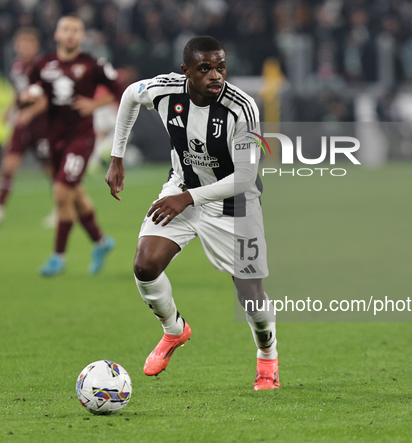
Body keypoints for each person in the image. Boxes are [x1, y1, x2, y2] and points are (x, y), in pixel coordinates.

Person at [105, 36, 279, 390]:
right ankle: (173, 330)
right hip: (181, 187)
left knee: (250, 296)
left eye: (221, 67)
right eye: (205, 69)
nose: (216, 76)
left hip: (235, 203)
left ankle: (267, 356)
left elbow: (245, 176)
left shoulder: (241, 108)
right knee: (145, 265)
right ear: (186, 71)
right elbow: (128, 97)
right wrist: (116, 156)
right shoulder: (166, 90)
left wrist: (188, 198)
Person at [26, 16, 123, 276]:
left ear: (82, 36)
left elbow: (121, 89)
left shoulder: (93, 64)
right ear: (57, 34)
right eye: (66, 29)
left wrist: (94, 105)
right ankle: (101, 243)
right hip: (54, 137)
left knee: (61, 193)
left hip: (81, 138)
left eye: (76, 30)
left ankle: (58, 257)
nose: (70, 34)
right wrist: (28, 97)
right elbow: (32, 89)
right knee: (76, 195)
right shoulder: (43, 64)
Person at [0, 27, 51, 226]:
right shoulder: (16, 67)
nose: (24, 47)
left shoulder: (43, 67)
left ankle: (60, 208)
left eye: (28, 43)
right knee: (9, 164)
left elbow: (47, 98)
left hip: (42, 125)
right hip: (23, 125)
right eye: (21, 44)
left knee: (50, 169)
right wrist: (10, 109)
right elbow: (18, 93)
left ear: (35, 46)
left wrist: (28, 113)